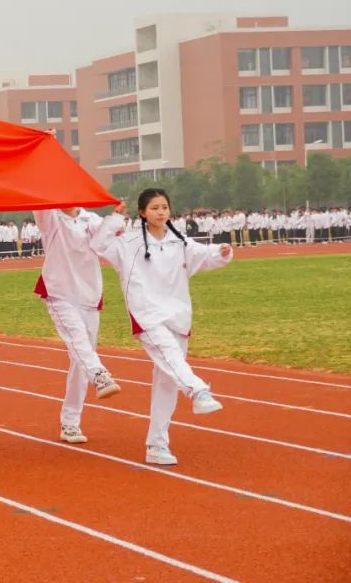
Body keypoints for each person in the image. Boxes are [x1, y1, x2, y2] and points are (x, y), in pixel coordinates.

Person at [91, 188, 232, 466]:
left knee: (167, 381)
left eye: (164, 207)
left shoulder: (179, 242)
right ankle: (198, 391)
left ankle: (156, 444)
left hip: (178, 315)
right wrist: (115, 219)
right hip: (147, 314)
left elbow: (205, 255)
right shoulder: (129, 242)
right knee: (171, 355)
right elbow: (98, 245)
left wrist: (222, 251)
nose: (161, 212)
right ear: (142, 213)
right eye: (154, 208)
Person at [32, 206, 122, 446]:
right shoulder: (50, 217)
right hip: (60, 294)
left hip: (89, 295)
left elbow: (103, 241)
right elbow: (39, 202)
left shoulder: (90, 219)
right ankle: (100, 375)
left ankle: (70, 423)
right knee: (78, 340)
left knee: (81, 359)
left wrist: (116, 218)